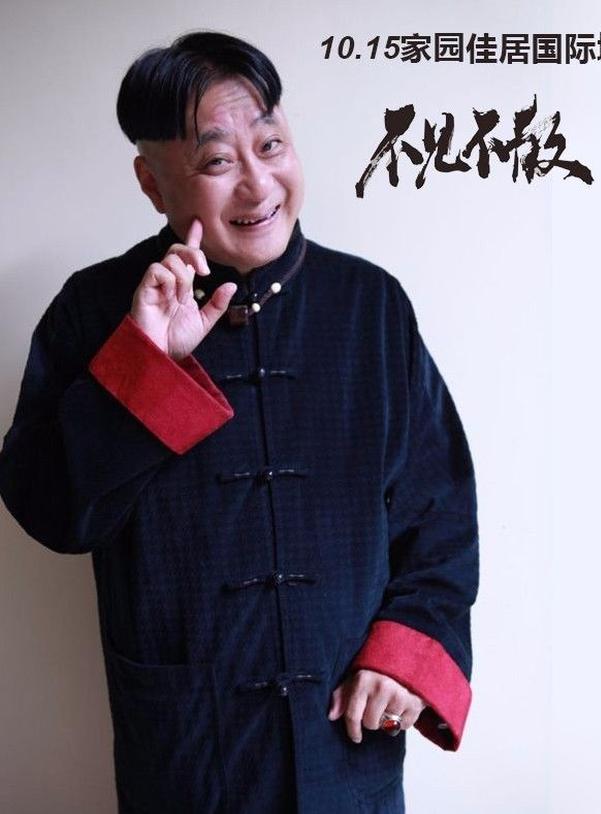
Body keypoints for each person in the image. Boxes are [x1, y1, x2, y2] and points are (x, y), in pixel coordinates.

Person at [0, 30, 479, 814]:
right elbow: (51, 513)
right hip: (191, 752)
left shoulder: (370, 307)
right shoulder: (95, 309)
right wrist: (146, 361)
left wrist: (406, 654)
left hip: (344, 745)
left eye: (271, 144)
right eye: (218, 161)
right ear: (153, 183)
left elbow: (442, 514)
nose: (258, 184)